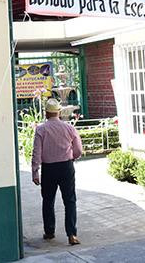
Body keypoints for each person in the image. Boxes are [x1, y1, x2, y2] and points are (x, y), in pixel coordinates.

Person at [31, 98, 83, 246]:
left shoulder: (41, 129)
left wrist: (35, 172)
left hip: (49, 169)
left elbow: (37, 153)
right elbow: (78, 149)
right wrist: (72, 157)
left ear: (46, 113)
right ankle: (72, 234)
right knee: (70, 200)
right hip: (66, 167)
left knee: (48, 200)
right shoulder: (69, 128)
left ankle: (49, 231)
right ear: (58, 112)